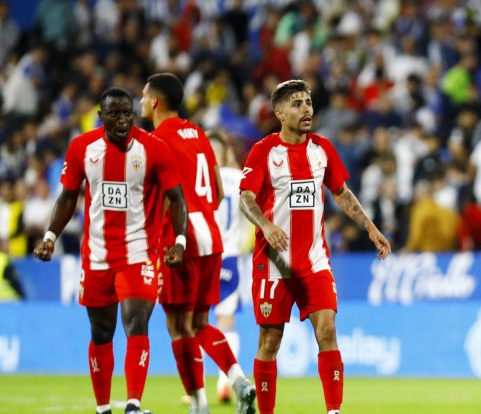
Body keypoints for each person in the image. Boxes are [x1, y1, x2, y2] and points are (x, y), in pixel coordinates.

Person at [238, 79, 392, 414]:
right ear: (279, 113)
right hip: (274, 264)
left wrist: (369, 227)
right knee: (270, 341)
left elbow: (341, 193)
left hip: (314, 260)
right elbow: (245, 199)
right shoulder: (264, 151)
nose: (306, 109)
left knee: (327, 330)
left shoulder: (322, 148)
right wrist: (266, 225)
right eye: (296, 104)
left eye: (308, 102)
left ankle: (333, 411)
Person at [34, 87, 188, 414]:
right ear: (100, 116)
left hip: (140, 253)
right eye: (114, 114)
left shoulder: (154, 149)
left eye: (127, 113)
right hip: (97, 256)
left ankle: (133, 405)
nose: (122, 120)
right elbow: (67, 197)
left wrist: (179, 241)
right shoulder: (82, 148)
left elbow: (177, 198)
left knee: (137, 321)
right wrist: (50, 235)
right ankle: (103, 408)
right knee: (102, 332)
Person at [142, 73, 256, 414]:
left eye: (144, 95)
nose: (141, 101)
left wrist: (160, 237)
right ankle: (238, 380)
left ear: (156, 101)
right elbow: (219, 191)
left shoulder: (156, 139)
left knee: (178, 325)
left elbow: (164, 195)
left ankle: (199, 404)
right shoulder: (200, 136)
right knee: (201, 323)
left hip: (181, 239)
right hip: (212, 235)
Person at [209, 130, 254, 405]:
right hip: (229, 259)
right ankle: (225, 380)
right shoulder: (238, 179)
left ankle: (196, 391)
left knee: (195, 325)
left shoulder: (197, 179)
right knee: (227, 323)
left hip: (203, 256)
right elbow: (251, 214)